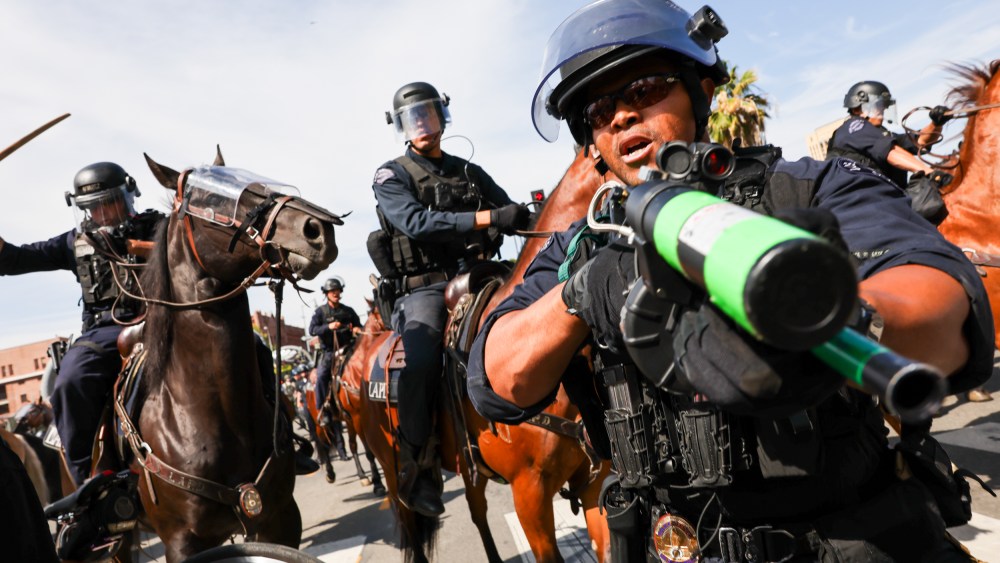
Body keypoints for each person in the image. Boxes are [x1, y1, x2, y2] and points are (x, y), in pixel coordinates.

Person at [466, 1, 994, 561]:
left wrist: (827, 315)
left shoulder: (812, 188)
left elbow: (944, 304)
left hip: (849, 538)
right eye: (598, 109)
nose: (620, 116)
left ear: (703, 91)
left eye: (645, 88)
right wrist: (580, 294)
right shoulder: (581, 245)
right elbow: (498, 380)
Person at [0, 163, 317, 488]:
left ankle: (282, 439)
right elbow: (15, 259)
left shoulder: (159, 226)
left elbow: (205, 248)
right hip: (105, 332)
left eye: (108, 202)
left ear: (127, 195)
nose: (103, 212)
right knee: (69, 382)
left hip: (169, 318)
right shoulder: (73, 242)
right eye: (93, 207)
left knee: (253, 347)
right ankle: (88, 486)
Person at [368, 81, 530, 516]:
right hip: (423, 290)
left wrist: (528, 214)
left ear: (442, 116)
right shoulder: (391, 175)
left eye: (428, 114)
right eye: (411, 118)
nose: (422, 124)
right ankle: (417, 467)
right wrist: (488, 216)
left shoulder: (468, 171)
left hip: (473, 274)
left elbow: (510, 209)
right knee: (421, 361)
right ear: (400, 126)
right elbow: (417, 222)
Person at [308, 276, 361, 470]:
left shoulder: (348, 311)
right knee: (322, 376)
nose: (336, 294)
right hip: (330, 353)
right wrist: (328, 327)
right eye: (332, 292)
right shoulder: (320, 312)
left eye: (338, 290)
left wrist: (355, 328)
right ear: (327, 294)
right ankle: (323, 411)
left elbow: (359, 325)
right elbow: (312, 329)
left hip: (349, 350)